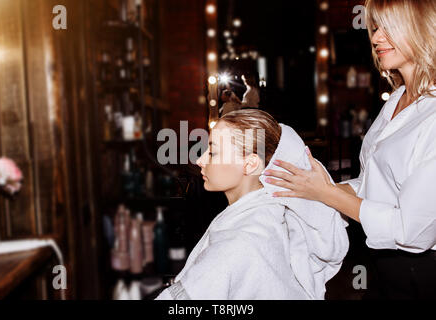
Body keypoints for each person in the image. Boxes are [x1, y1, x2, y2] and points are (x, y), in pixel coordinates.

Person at [264, 0, 436, 299]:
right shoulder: (396, 100)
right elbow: (373, 186)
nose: (376, 37)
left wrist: (325, 193)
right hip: (383, 265)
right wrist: (306, 188)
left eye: (388, 27)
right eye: (376, 27)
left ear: (423, 29)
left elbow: (413, 232)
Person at [156, 110, 349, 300]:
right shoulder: (270, 217)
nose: (200, 160)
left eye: (213, 152)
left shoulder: (238, 243)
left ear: (250, 164)